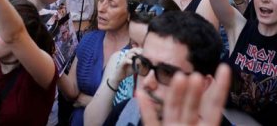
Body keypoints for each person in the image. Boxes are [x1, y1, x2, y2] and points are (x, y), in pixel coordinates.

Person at [97, 11, 226, 126]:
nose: (148, 82)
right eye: (144, 64)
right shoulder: (124, 112)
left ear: (203, 84)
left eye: (167, 73)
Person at [58, 0, 146, 126]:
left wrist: (87, 101)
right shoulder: (89, 39)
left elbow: (136, 109)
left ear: (130, 12)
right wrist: (53, 60)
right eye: (101, 0)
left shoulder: (137, 51)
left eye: (112, 4)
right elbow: (72, 91)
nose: (101, 9)